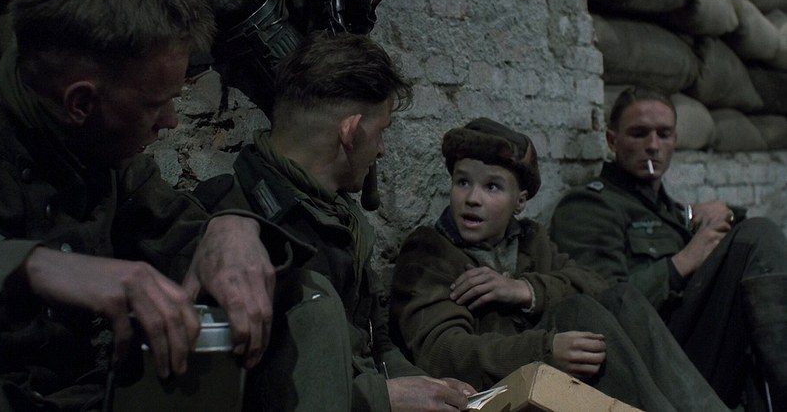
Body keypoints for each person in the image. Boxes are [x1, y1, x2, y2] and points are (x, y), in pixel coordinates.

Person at [0, 0, 301, 409]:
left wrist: (233, 226)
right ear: (80, 102)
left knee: (305, 303)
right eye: (156, 105)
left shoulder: (104, 157)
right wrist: (34, 266)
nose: (170, 122)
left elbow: (180, 232)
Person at [194, 31, 475, 411]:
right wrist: (386, 398)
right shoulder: (235, 229)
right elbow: (261, 390)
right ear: (351, 132)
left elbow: (374, 344)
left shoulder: (339, 216)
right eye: (381, 132)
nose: (381, 150)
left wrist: (432, 390)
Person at [389, 117, 732, 411]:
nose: (472, 198)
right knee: (579, 313)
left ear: (519, 201)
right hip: (494, 395)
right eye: (462, 182)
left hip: (550, 388)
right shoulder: (430, 252)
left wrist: (523, 290)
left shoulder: (529, 240)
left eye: (492, 187)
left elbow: (597, 285)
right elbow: (441, 352)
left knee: (621, 298)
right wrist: (545, 349)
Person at [549, 86, 787, 411]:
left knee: (758, 240)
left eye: (664, 134)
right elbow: (604, 305)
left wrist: (724, 213)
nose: (653, 146)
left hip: (692, 351)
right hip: (653, 359)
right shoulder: (590, 206)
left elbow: (741, 238)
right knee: (758, 234)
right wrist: (684, 261)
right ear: (612, 140)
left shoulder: (668, 209)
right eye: (639, 134)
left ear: (675, 140)